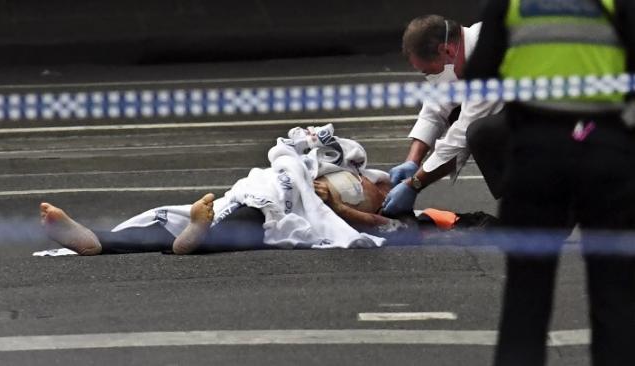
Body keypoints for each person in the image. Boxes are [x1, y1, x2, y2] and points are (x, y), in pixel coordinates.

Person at [464, 0, 635, 365]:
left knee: (526, 292)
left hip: (536, 150)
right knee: (615, 293)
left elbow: (479, 73)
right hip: (604, 147)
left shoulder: (512, 4)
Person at [40, 125, 496, 256]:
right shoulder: (364, 170)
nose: (391, 185)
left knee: (232, 226)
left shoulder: (390, 213)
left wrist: (336, 204)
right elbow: (311, 145)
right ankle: (98, 240)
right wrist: (304, 155)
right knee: (197, 217)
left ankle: (181, 242)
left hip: (295, 206)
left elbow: (370, 227)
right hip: (273, 186)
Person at [382, 15, 507, 217]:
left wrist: (414, 184)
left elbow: (462, 134)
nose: (431, 79)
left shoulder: (488, 55)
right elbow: (436, 106)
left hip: (565, 119)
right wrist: (412, 162)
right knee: (459, 115)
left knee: (481, 132)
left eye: (429, 72)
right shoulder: (462, 53)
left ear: (446, 50)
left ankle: (535, 202)